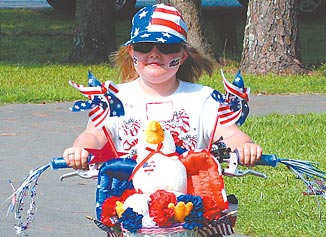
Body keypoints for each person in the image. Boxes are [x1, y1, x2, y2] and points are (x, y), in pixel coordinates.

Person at [63, 3, 261, 175]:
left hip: (192, 200)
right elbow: (95, 134)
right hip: (126, 200)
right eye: (144, 46)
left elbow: (229, 133)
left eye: (167, 47)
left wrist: (245, 146)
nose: (155, 54)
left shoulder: (203, 99)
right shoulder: (114, 98)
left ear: (183, 55)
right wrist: (80, 149)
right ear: (131, 52)